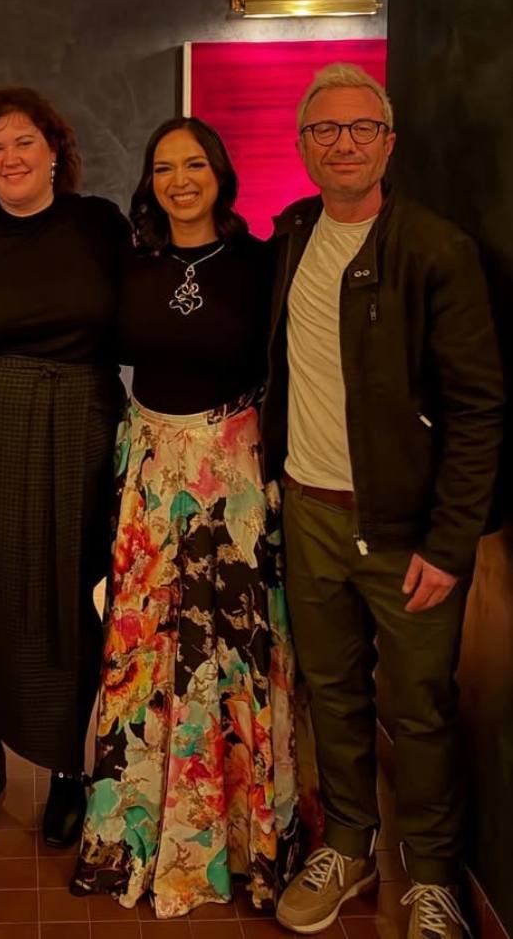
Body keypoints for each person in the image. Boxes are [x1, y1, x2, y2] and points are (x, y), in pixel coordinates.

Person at [267, 64, 503, 939]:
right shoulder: (293, 233)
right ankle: (350, 846)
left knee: (420, 707)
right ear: (303, 146)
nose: (344, 144)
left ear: (389, 143)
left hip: (406, 531)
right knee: (333, 693)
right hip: (309, 510)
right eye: (325, 130)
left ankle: (433, 878)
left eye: (361, 127)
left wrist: (450, 542)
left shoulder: (436, 250)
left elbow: (479, 407)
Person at [71, 116, 305, 916]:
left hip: (231, 480)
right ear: (150, 181)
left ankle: (238, 839)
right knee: (147, 649)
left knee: (230, 651)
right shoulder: (132, 262)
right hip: (149, 476)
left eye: (195, 164)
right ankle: (137, 829)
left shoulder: (260, 263)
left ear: (220, 175)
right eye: (165, 166)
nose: (180, 180)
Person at [0, 87, 129, 850]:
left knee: (66, 592)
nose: (10, 157)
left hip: (78, 423)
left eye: (24, 142)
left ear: (55, 151)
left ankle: (69, 767)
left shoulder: (98, 224)